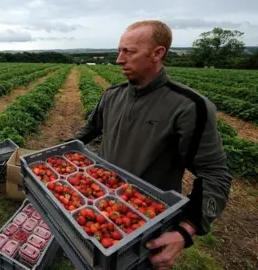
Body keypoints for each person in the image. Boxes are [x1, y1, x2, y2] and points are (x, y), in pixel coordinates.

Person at [73, 20, 232, 269]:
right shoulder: (111, 95)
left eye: (129, 52)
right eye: (119, 50)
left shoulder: (188, 106)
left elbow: (214, 173)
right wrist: (58, 151)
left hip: (143, 220)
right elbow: (90, 129)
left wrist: (186, 229)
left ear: (158, 53)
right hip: (94, 200)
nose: (118, 59)